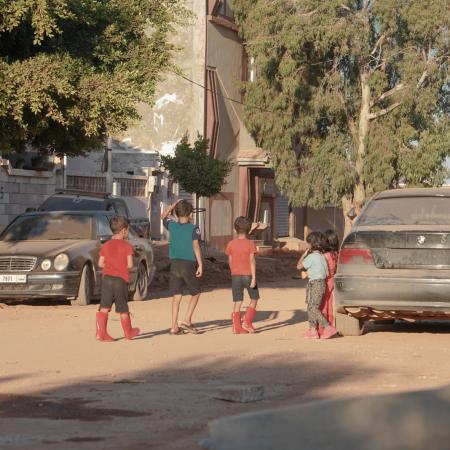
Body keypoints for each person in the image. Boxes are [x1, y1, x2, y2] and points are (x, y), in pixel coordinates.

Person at [161, 200, 203, 335]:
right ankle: (187, 320)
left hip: (174, 264)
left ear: (176, 213)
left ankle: (173, 326)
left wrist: (172, 206)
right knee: (196, 293)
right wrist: (200, 264)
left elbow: (162, 216)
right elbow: (196, 247)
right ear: (191, 214)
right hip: (188, 264)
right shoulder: (194, 228)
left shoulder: (172, 225)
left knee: (176, 296)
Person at [96, 216, 140, 342]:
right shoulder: (127, 246)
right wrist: (120, 266)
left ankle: (101, 333)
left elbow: (100, 263)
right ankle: (128, 332)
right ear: (123, 231)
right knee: (123, 308)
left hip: (107, 279)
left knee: (104, 306)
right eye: (127, 230)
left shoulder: (106, 245)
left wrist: (111, 266)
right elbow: (130, 265)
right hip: (120, 280)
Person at [297, 231, 337, 339]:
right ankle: (312, 330)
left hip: (315, 284)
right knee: (311, 307)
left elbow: (299, 266)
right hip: (322, 283)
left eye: (309, 243)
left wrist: (304, 255)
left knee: (313, 308)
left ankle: (327, 327)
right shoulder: (322, 257)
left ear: (312, 244)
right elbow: (327, 273)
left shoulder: (311, 257)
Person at [225, 217, 260, 334]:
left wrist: (233, 271)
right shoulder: (250, 244)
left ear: (235, 229)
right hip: (248, 275)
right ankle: (247, 322)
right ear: (249, 230)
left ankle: (236, 327)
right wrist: (254, 277)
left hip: (235, 275)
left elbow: (229, 260)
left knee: (237, 301)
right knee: (254, 298)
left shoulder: (230, 244)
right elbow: (252, 261)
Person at [318, 229, 340, 337]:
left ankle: (323, 328)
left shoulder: (325, 256)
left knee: (323, 305)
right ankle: (331, 326)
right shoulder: (336, 254)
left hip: (325, 281)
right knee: (330, 305)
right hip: (333, 281)